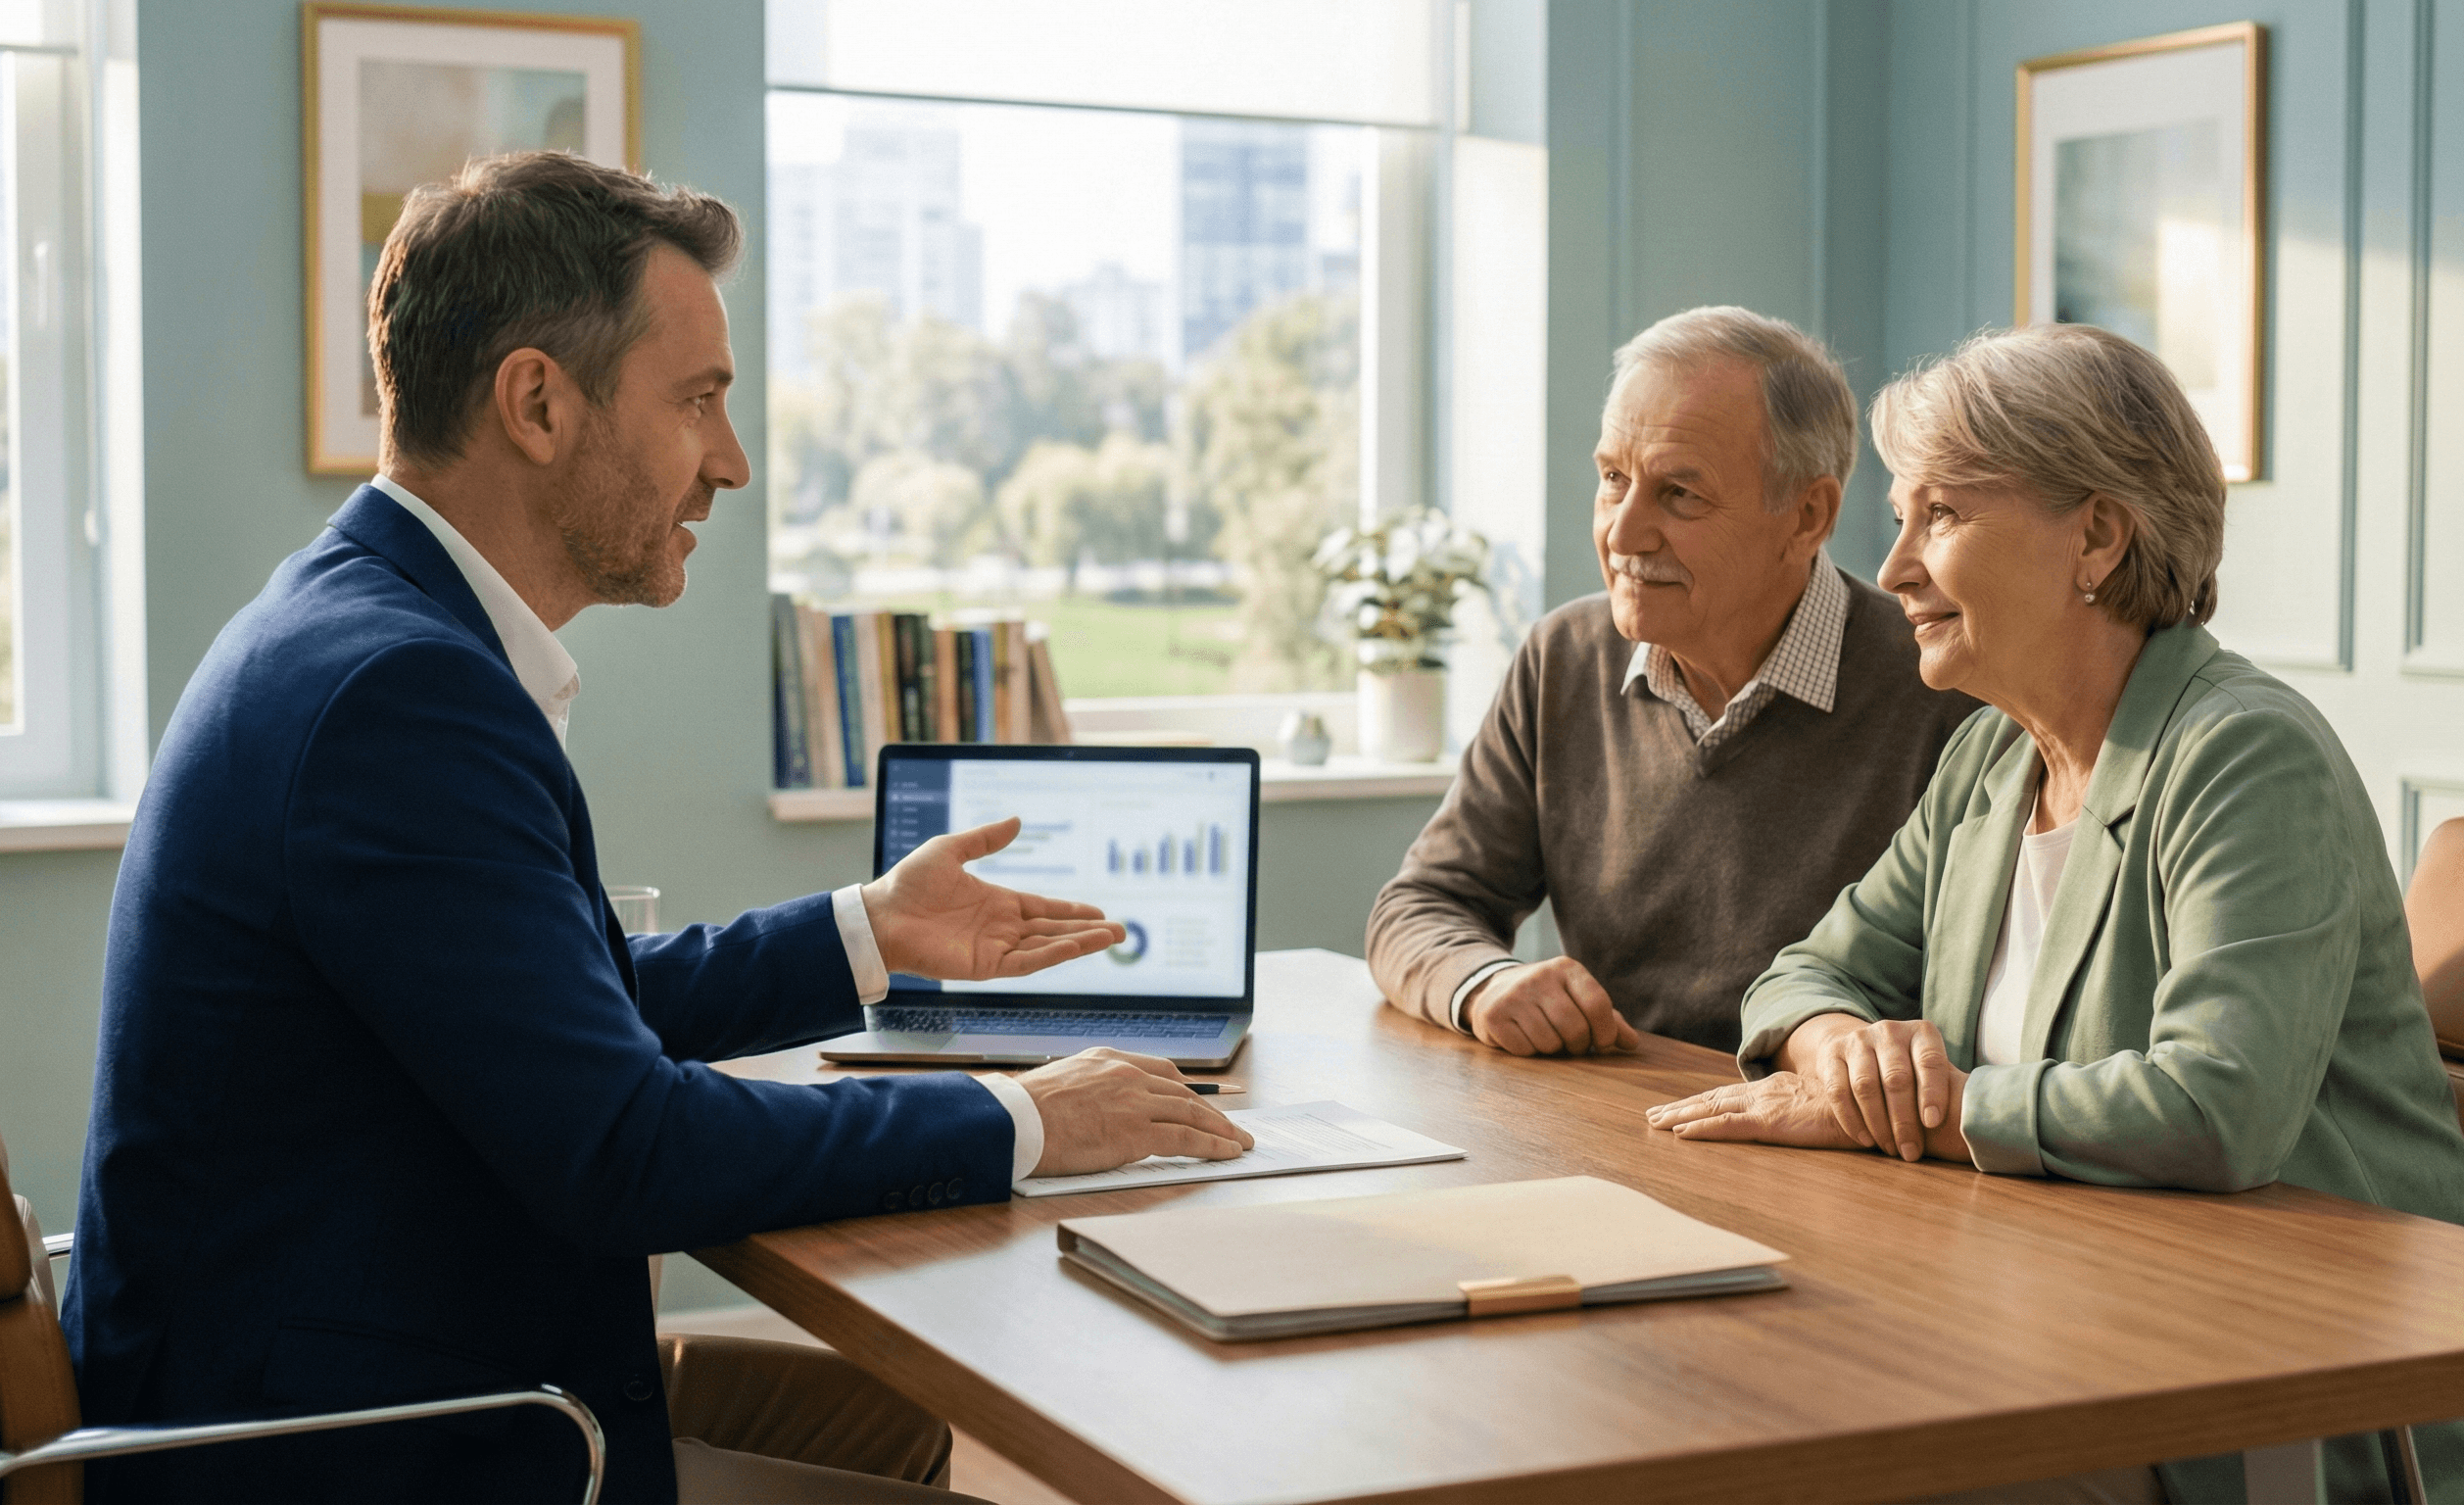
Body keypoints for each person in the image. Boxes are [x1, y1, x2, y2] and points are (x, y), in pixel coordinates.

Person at [64, 152, 1251, 1505]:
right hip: (344, 1445)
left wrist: (871, 931)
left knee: (887, 1425)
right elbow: (624, 1149)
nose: (729, 462)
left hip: (369, 1356)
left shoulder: (354, 622)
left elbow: (547, 1014)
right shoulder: (398, 695)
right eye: (697, 401)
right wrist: (1018, 1117)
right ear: (537, 403)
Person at [1648, 323, 2464, 1504]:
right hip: (2052, 1317)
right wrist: (1839, 1053)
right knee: (1709, 1398)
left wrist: (1913, 1113)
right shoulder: (1990, 758)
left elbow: (2215, 1108)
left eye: (1941, 516)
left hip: (2279, 1386)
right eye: (1900, 519)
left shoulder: (2243, 755)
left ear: (2095, 537)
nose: (1894, 569)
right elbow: (1806, 973)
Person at [1367, 307, 1977, 1056]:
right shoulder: (1563, 658)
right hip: (1609, 1105)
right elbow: (1422, 904)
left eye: (1679, 494)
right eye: (1612, 479)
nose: (1621, 535)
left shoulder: (1945, 689)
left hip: (1821, 1117)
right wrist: (1482, 982)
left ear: (1806, 516)